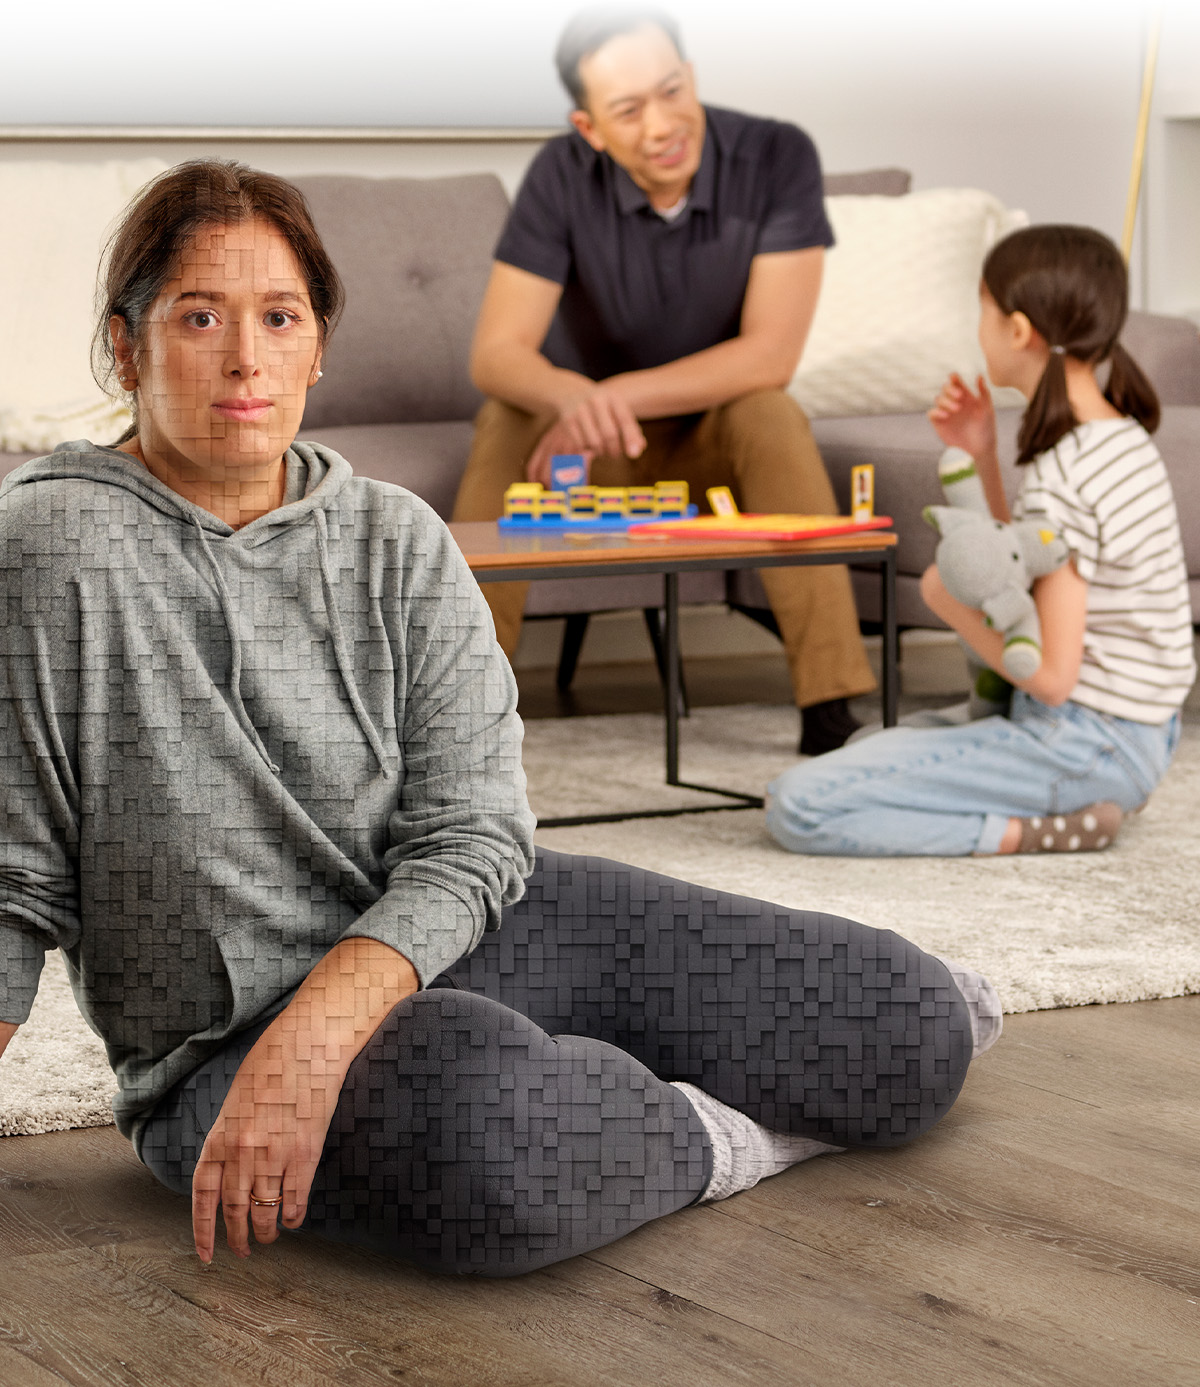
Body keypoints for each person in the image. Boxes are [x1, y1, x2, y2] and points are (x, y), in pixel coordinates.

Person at [0, 160, 999, 1278]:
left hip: (473, 934)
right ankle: (711, 1135)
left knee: (911, 1031)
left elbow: (474, 838)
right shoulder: (50, 547)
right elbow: (12, 881)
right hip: (224, 1058)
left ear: (319, 345)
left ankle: (602, 1090)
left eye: (279, 317)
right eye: (200, 317)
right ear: (127, 346)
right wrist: (295, 1049)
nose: (246, 358)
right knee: (499, 1147)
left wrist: (326, 1026)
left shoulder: (398, 538)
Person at [450, 6, 875, 757]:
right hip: (587, 449)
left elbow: (768, 355)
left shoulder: (778, 155)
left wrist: (615, 396)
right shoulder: (557, 175)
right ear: (590, 128)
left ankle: (835, 705)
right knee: (506, 416)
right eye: (629, 109)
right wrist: (577, 400)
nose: (663, 123)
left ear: (693, 76)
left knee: (770, 411)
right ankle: (462, 713)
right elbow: (497, 353)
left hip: (716, 440)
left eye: (673, 90)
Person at [766, 225, 1196, 858]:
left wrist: (949, 605)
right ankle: (1087, 793)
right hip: (1134, 735)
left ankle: (1036, 829)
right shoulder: (1116, 437)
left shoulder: (1067, 476)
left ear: (1018, 330)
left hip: (1080, 738)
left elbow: (1050, 677)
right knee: (865, 755)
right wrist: (981, 454)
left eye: (984, 312)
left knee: (799, 807)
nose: (979, 330)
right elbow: (1023, 564)